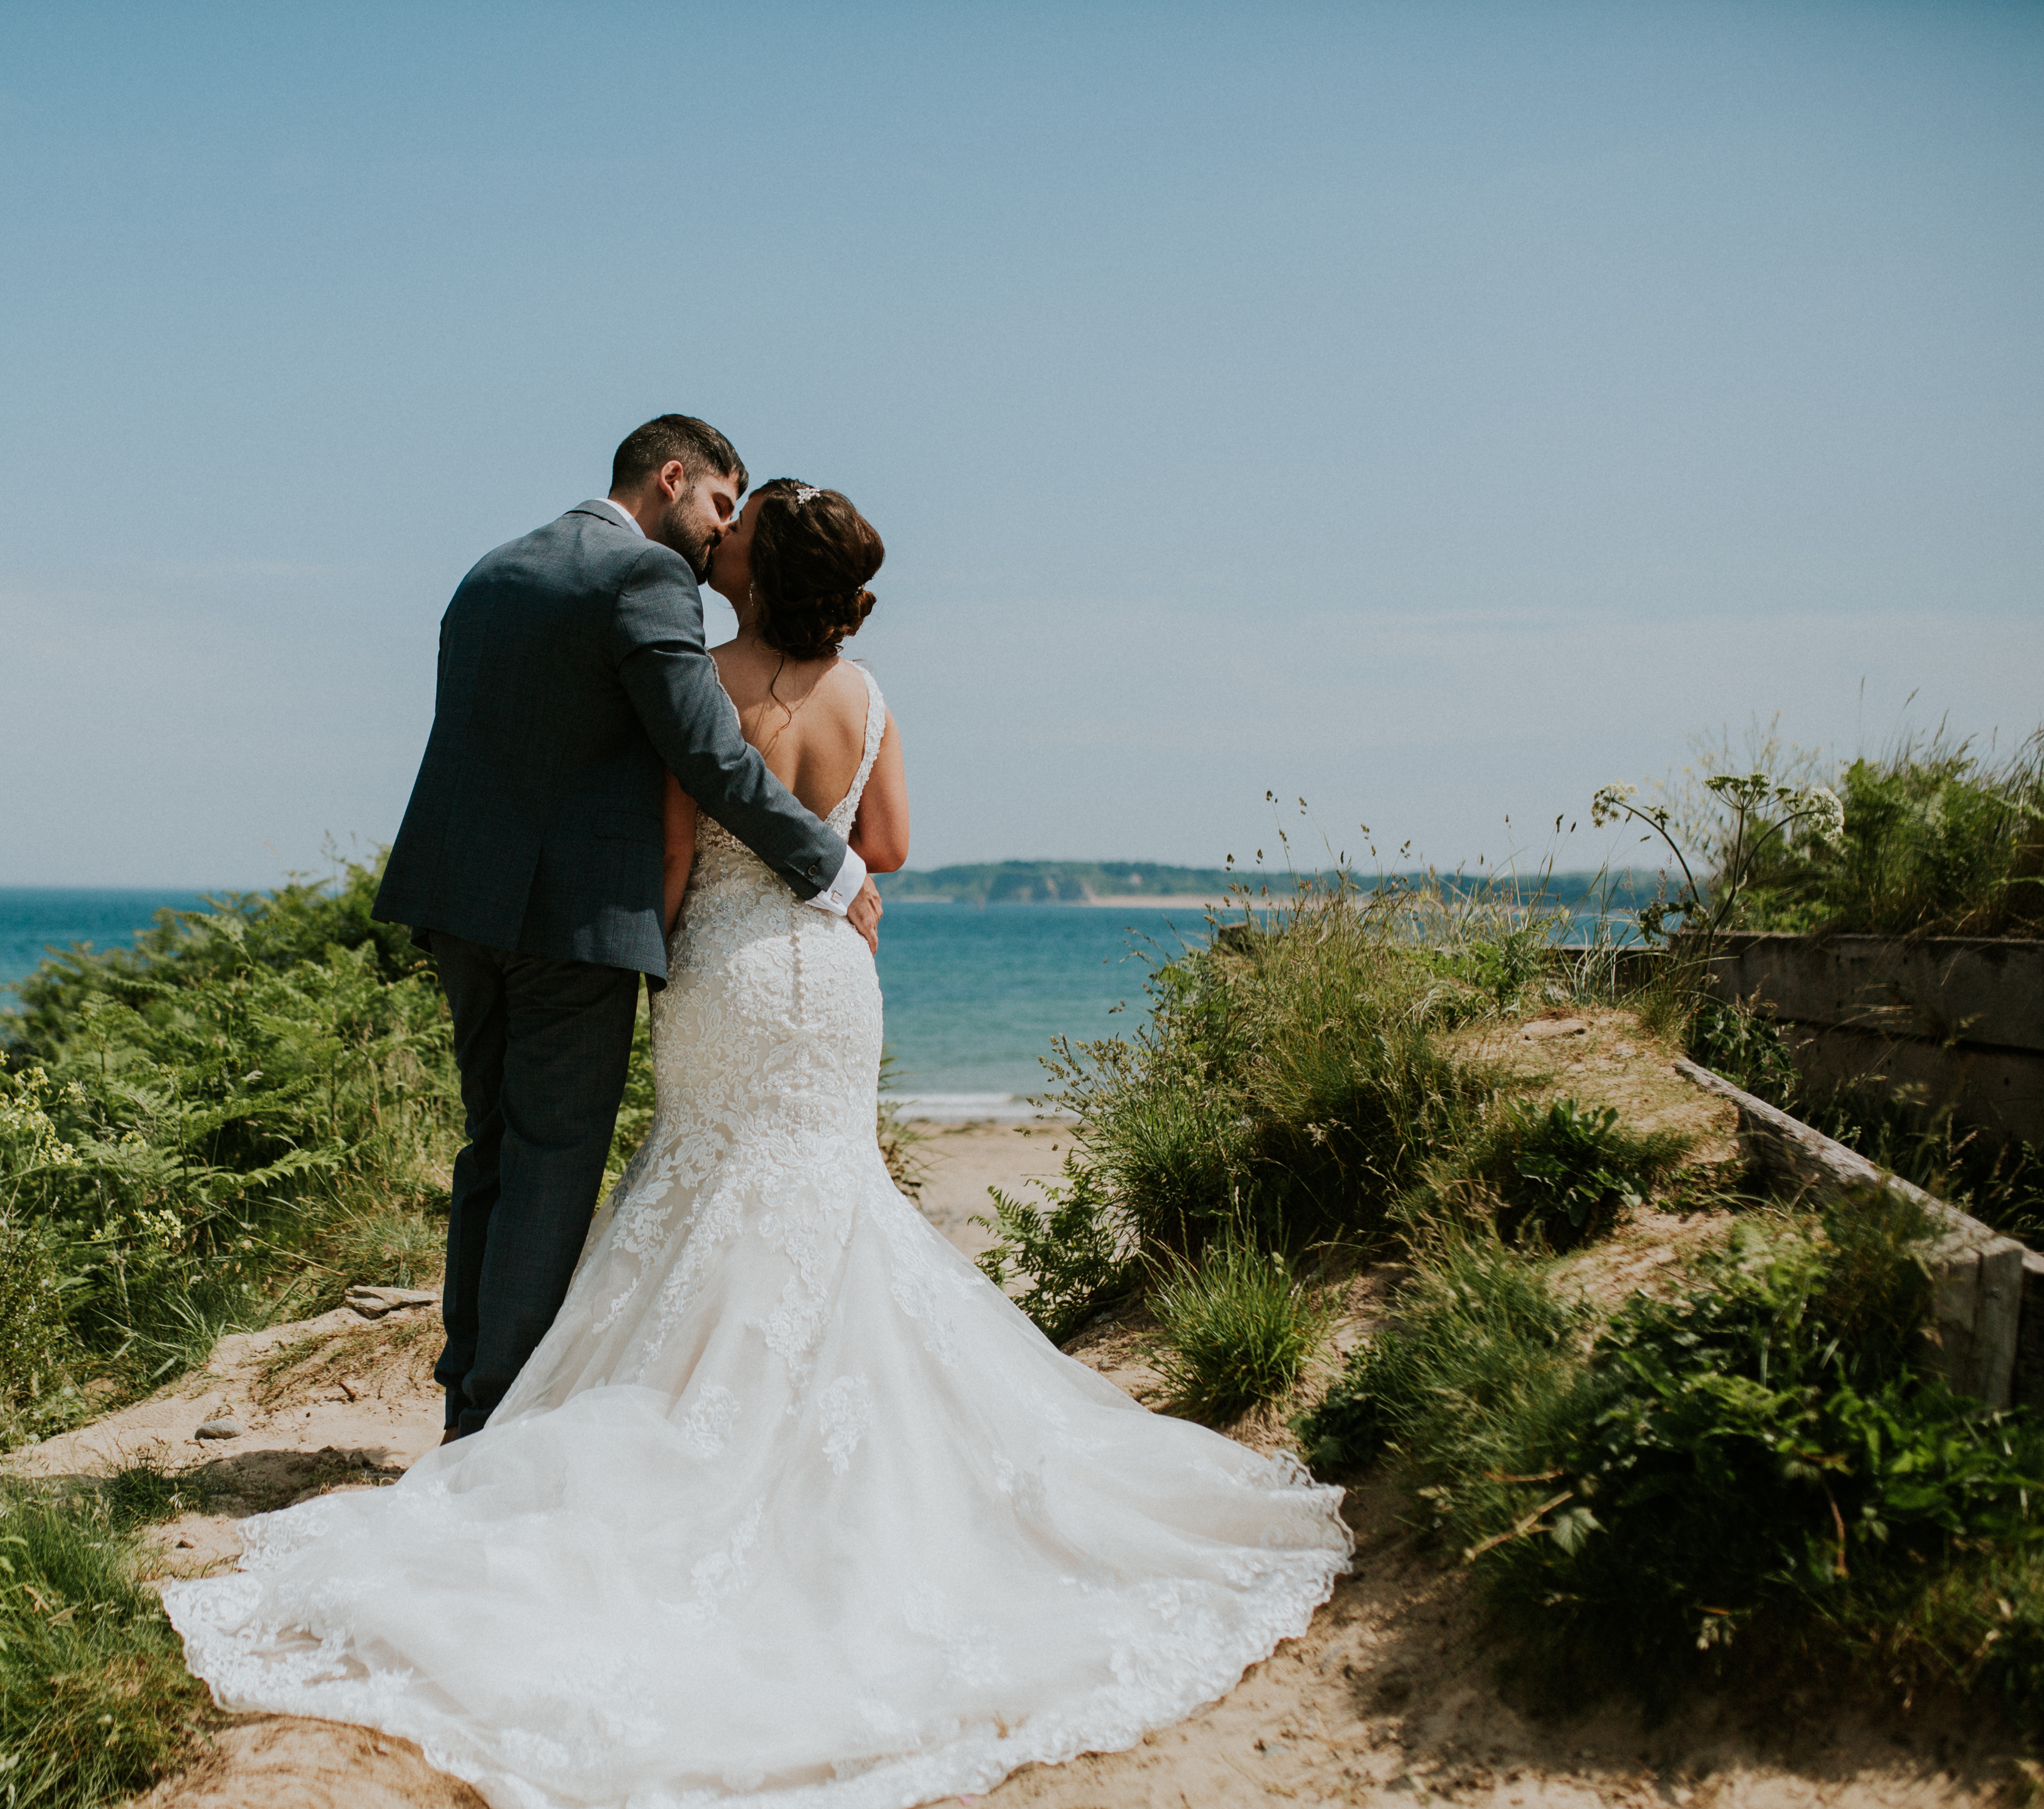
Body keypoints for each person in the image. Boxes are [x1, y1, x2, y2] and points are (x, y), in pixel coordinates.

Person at [166, 471, 1353, 1808]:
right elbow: (890, 846)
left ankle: (528, 1418)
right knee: (831, 1209)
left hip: (725, 977)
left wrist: (664, 942)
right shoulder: (871, 696)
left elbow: (674, 857)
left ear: (744, 565)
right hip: (830, 981)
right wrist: (833, 863)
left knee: (699, 1191)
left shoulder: (706, 678)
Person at [370, 416, 881, 1441]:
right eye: (718, 507)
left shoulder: (491, 571)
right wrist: (828, 863)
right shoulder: (642, 579)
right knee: (550, 1169)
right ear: (671, 476)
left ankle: (464, 1387)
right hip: (571, 921)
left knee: (493, 1155)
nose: (719, 535)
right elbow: (709, 757)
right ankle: (487, 1425)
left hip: (462, 905)